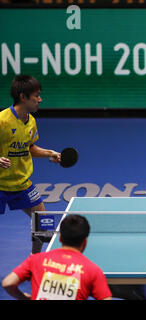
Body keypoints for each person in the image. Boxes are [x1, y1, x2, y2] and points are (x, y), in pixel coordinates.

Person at [0, 75, 61, 253]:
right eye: (37, 95)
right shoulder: (2, 121)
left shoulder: (31, 122)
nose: (40, 99)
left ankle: (35, 260)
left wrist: (50, 153)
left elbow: (30, 148)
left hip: (21, 184)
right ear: (23, 97)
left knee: (43, 224)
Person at [2, 214, 112, 300]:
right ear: (85, 241)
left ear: (59, 237)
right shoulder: (92, 270)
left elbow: (8, 283)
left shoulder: (36, 259)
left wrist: (23, 298)